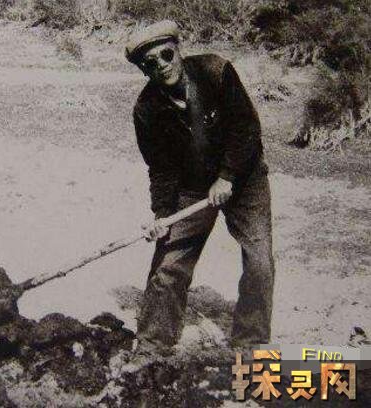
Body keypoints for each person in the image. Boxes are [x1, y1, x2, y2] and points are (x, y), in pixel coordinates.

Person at [125, 20, 275, 354]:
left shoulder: (215, 72)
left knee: (259, 260)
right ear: (144, 70)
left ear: (178, 50)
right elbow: (161, 169)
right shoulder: (147, 110)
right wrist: (162, 215)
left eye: (166, 54)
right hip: (191, 188)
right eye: (151, 62)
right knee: (169, 264)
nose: (162, 65)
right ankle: (153, 344)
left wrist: (228, 176)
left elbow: (246, 128)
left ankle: (250, 342)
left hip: (244, 178)